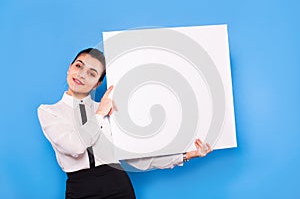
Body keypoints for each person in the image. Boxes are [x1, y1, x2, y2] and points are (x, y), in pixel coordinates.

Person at [37, 48, 212, 199]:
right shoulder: (49, 112)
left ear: (97, 83)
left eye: (92, 73)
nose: (82, 74)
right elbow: (75, 147)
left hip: (117, 186)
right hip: (80, 187)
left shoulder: (108, 109)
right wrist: (99, 115)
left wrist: (187, 155)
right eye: (78, 66)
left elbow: (135, 157)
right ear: (69, 68)